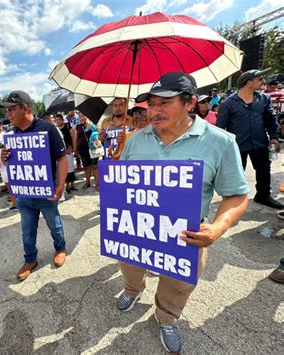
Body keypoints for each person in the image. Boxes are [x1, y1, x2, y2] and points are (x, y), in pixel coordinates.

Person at [118, 72, 249, 353]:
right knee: (129, 267)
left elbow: (237, 194)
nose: (154, 110)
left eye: (164, 103)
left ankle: (166, 317)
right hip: (135, 229)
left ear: (190, 103)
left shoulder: (221, 142)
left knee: (177, 286)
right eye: (151, 103)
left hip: (186, 235)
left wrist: (217, 228)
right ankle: (132, 290)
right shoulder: (135, 141)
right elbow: (120, 183)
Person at [0, 90, 67, 281]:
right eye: (7, 110)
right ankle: (30, 259)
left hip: (46, 193)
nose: (8, 114)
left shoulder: (47, 129)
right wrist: (5, 158)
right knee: (27, 230)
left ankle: (60, 248)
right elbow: (10, 164)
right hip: (23, 195)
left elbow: (61, 158)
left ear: (26, 108)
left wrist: (60, 186)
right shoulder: (12, 135)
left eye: (12, 109)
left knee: (54, 225)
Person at [217, 68, 283, 209]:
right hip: (237, 146)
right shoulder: (228, 104)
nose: (263, 82)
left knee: (264, 170)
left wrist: (274, 137)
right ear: (248, 83)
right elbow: (220, 129)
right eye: (259, 79)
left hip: (260, 143)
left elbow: (270, 119)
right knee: (236, 173)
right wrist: (221, 150)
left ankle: (263, 195)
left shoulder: (263, 99)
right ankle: (234, 201)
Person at [73, 112, 99, 190]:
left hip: (93, 148)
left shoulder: (92, 125)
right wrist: (75, 150)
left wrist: (91, 127)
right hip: (82, 149)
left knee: (94, 166)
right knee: (86, 166)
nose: (81, 118)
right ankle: (87, 183)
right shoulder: (78, 127)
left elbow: (99, 133)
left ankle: (97, 184)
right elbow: (75, 139)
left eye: (83, 116)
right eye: (80, 117)